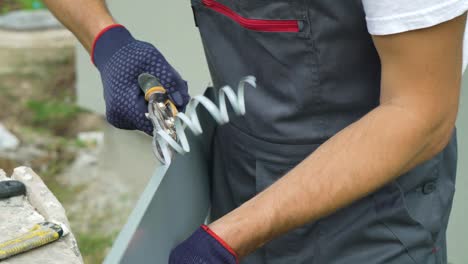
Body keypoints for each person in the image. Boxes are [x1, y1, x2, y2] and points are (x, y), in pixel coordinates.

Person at [43, 0, 468, 263]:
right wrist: (107, 40)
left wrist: (226, 239)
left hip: (371, 223)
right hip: (239, 182)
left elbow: (421, 113)